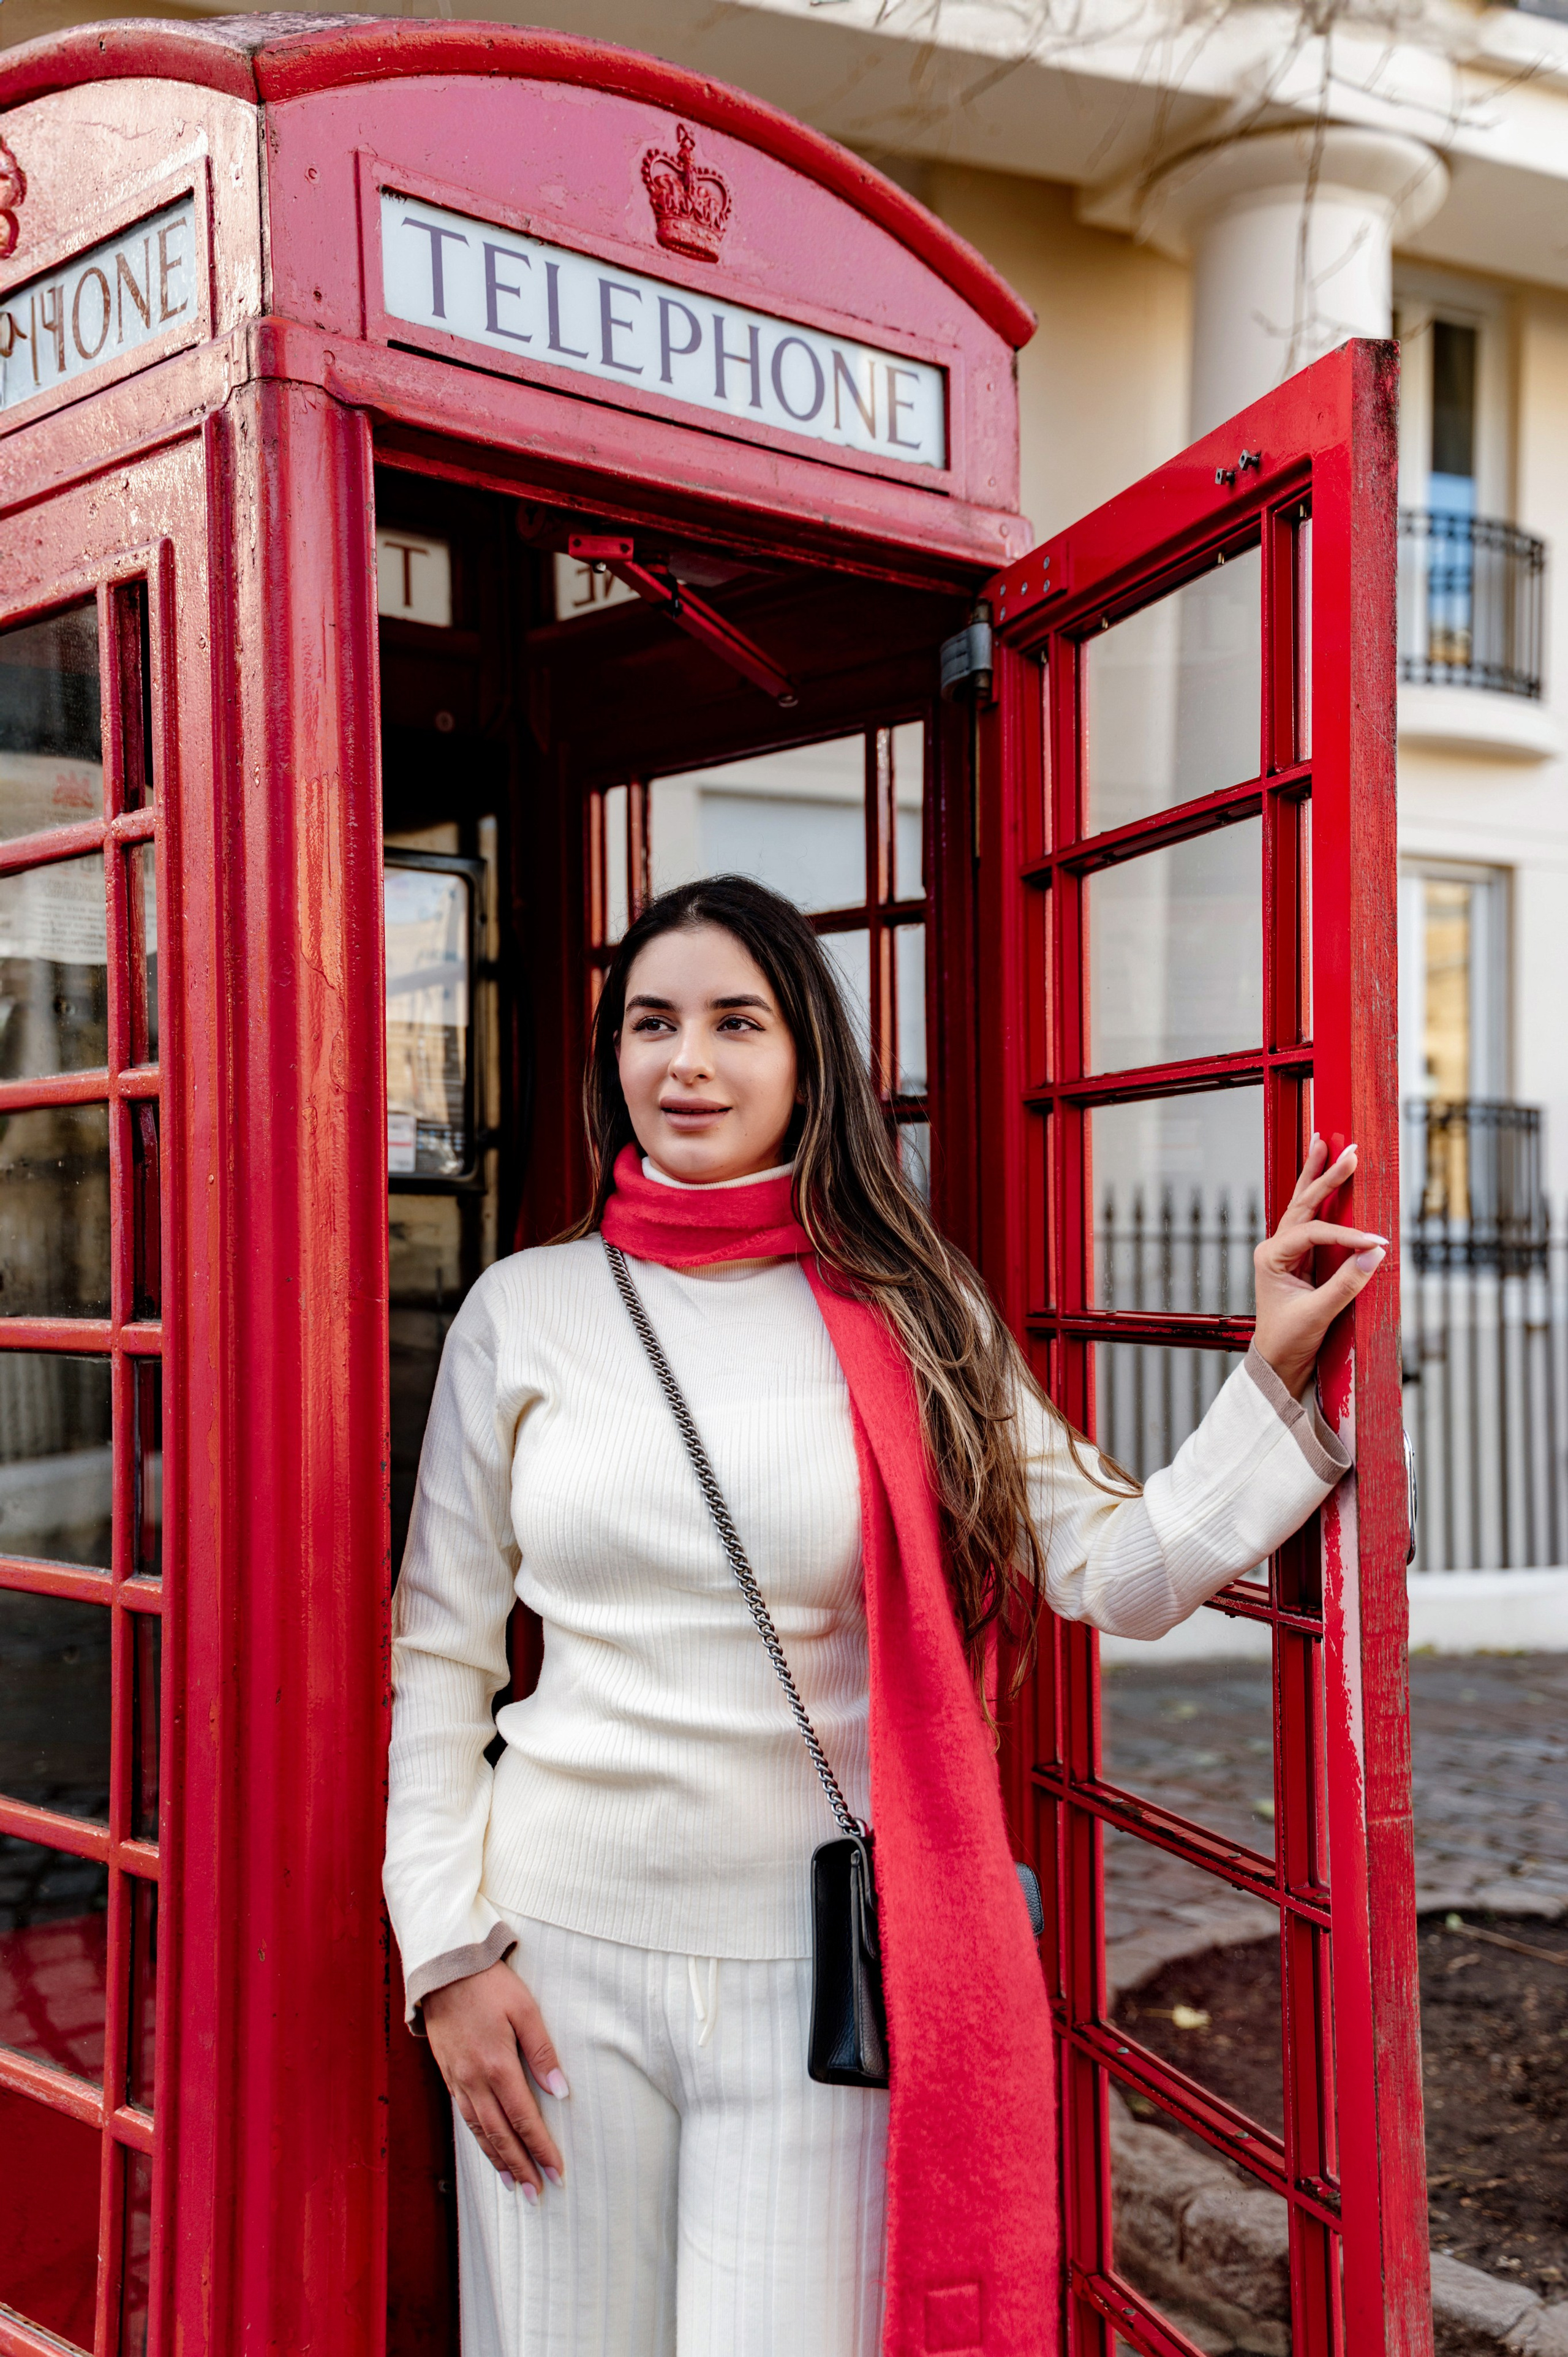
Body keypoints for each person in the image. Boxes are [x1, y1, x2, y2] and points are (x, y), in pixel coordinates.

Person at [383, 872, 1385, 2357]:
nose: (687, 1063)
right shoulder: (522, 1310)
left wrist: (1271, 1376)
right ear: (612, 1059)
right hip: (553, 1956)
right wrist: (448, 1958)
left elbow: (1116, 1566)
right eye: (651, 1023)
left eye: (737, 1022)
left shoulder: (915, 1313)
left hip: (819, 1978)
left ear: (806, 1064)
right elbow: (439, 1654)